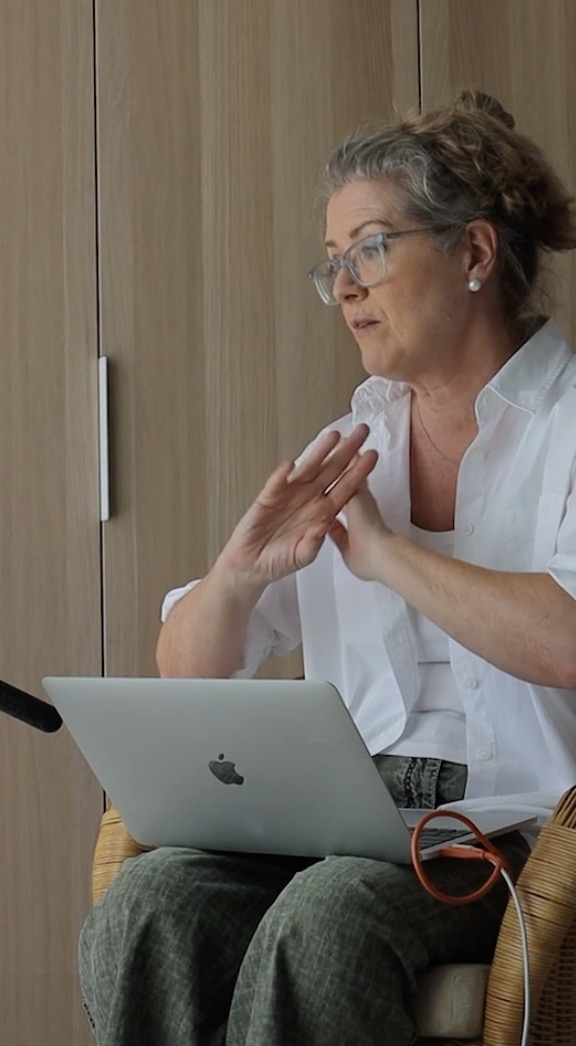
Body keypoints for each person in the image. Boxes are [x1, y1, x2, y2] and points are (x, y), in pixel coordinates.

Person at [79, 90, 576, 1045]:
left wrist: (390, 557)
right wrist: (238, 575)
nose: (345, 286)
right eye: (333, 262)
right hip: (341, 824)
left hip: (509, 841)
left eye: (371, 250)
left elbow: (567, 641)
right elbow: (186, 669)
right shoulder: (352, 444)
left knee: (328, 919)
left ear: (474, 253)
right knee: (149, 903)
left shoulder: (568, 428)